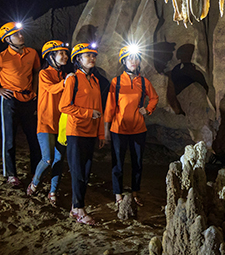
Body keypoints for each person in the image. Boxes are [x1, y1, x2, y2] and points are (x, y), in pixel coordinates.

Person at [0, 22, 41, 187]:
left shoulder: (32, 53)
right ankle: (12, 175)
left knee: (33, 138)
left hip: (28, 100)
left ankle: (35, 171)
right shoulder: (1, 57)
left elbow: (36, 72)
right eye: (16, 34)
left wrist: (34, 91)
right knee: (9, 139)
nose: (21, 36)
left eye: (21, 33)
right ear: (7, 39)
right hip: (10, 100)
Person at [104, 44, 158, 207]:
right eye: (130, 58)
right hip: (118, 129)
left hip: (138, 129)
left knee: (138, 163)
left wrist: (147, 110)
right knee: (118, 163)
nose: (133, 61)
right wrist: (106, 129)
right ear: (124, 62)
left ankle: (135, 192)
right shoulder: (117, 81)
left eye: (136, 58)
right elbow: (110, 106)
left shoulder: (144, 81)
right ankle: (118, 194)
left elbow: (154, 98)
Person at [59, 42, 104, 225]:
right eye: (87, 56)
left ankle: (75, 207)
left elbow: (99, 109)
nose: (92, 58)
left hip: (91, 132)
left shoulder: (95, 81)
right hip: (76, 131)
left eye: (93, 56)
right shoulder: (73, 79)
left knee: (85, 172)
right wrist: (87, 113)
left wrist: (100, 133)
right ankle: (79, 209)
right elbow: (64, 106)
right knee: (77, 171)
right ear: (78, 59)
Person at [27, 40, 73, 205]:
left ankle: (53, 192)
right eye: (61, 53)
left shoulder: (63, 75)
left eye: (65, 53)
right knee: (48, 158)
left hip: (60, 124)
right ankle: (34, 183)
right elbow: (53, 89)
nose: (65, 56)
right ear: (51, 56)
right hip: (46, 123)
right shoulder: (44, 74)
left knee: (59, 159)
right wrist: (66, 82)